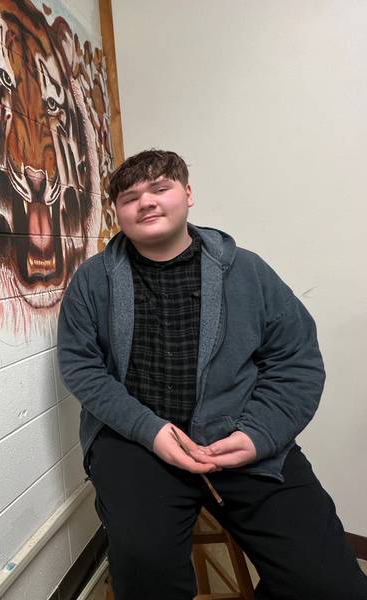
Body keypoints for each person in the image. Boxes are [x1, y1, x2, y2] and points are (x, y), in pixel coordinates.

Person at [57, 149, 367, 599]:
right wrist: (151, 430)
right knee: (146, 574)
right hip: (138, 443)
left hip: (239, 438)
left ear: (187, 194)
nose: (146, 202)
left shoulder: (248, 271)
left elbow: (296, 361)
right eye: (130, 197)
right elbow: (82, 368)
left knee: (332, 585)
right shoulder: (92, 280)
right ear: (117, 212)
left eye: (160, 188)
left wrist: (258, 435)